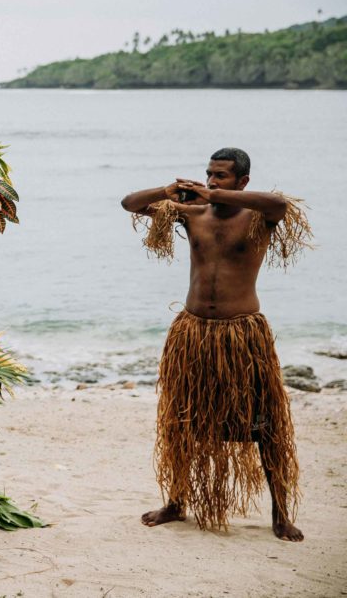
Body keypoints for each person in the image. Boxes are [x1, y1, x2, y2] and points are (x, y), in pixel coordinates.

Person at [121, 147, 311, 542]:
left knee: (266, 426)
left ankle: (280, 513)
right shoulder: (190, 215)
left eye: (221, 176)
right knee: (183, 421)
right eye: (209, 174)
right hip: (194, 333)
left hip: (242, 338)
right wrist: (169, 189)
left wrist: (218, 197)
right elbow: (130, 204)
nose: (210, 181)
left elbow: (279, 203)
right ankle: (176, 502)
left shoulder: (258, 217)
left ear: (242, 182)